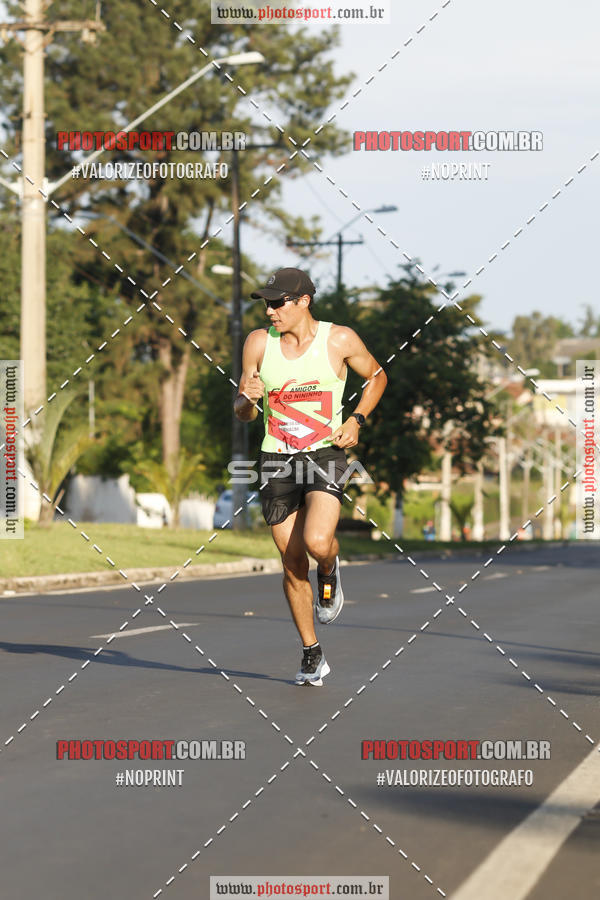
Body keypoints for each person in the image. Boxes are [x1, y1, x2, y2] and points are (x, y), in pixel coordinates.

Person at [234, 267, 387, 686]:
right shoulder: (258, 343)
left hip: (325, 453)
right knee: (291, 561)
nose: (270, 310)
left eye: (278, 302)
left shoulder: (339, 339)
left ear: (303, 301)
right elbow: (243, 411)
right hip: (275, 459)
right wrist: (247, 402)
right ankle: (311, 653)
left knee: (318, 543)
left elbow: (377, 377)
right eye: (266, 303)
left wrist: (356, 420)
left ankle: (331, 569)